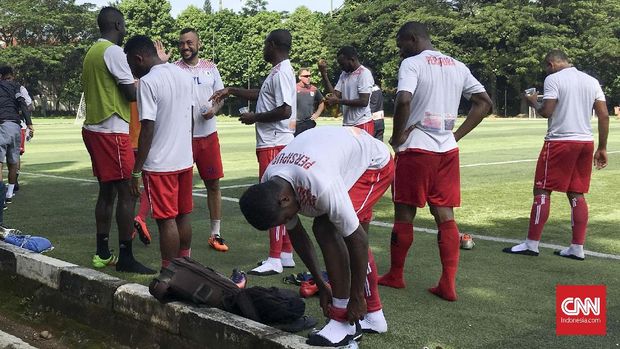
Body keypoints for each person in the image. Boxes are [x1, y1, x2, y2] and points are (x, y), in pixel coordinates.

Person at [239, 126, 393, 346]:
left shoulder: (320, 183)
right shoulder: (273, 182)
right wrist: (321, 283)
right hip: (342, 153)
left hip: (374, 165)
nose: (286, 222)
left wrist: (356, 297)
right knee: (340, 228)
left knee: (327, 228)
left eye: (283, 219)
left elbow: (357, 238)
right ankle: (375, 317)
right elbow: (297, 235)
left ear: (284, 200)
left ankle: (343, 324)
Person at [378, 22, 492, 302]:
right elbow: (484, 102)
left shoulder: (412, 64)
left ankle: (396, 274)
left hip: (417, 149)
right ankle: (447, 284)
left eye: (401, 44)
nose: (399, 50)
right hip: (446, 150)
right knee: (445, 215)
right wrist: (456, 135)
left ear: (413, 39)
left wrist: (395, 138)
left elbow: (404, 100)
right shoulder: (458, 65)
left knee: (404, 213)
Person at [504, 50, 609, 260]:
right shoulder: (591, 81)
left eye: (546, 66)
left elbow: (547, 111)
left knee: (542, 189)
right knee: (576, 193)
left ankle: (531, 244)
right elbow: (604, 115)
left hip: (560, 141)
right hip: (585, 142)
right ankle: (577, 248)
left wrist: (533, 101)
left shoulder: (553, 79)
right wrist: (602, 147)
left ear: (551, 64)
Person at [211, 29, 296, 276]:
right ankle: (286, 253)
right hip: (276, 142)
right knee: (284, 198)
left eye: (264, 44)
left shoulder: (280, 72)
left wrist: (254, 117)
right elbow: (263, 95)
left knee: (273, 200)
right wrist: (231, 90)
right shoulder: (282, 70)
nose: (263, 48)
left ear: (272, 45)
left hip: (273, 143)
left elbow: (285, 110)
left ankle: (274, 258)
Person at [81, 6, 154, 274]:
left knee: (106, 192)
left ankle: (102, 253)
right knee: (128, 192)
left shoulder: (92, 52)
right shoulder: (112, 52)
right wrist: (153, 74)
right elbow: (130, 93)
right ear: (119, 25)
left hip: (94, 128)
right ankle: (126, 257)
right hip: (112, 131)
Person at [124, 35, 195, 270]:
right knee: (184, 214)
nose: (131, 70)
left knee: (167, 221)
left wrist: (136, 171)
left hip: (160, 165)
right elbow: (191, 118)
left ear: (139, 58)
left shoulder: (148, 82)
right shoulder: (183, 75)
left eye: (130, 64)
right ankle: (186, 265)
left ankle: (169, 272)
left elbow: (147, 129)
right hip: (184, 159)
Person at [172, 28, 228, 252]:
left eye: (189, 43)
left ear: (198, 44)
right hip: (182, 137)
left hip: (207, 136)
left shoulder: (211, 68)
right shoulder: (174, 69)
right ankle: (179, 235)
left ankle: (215, 234)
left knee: (213, 185)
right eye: (182, 44)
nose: (185, 47)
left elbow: (221, 97)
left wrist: (214, 109)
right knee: (180, 187)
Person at [317, 46, 375, 134]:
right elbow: (335, 95)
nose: (341, 67)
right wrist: (324, 74)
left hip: (362, 123)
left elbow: (364, 101)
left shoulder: (364, 73)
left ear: (352, 59)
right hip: (347, 124)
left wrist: (338, 101)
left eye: (342, 64)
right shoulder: (344, 74)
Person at [0, 68, 31, 228]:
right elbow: (25, 105)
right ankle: (10, 193)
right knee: (14, 161)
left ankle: (0, 196)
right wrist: (30, 123)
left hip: (2, 124)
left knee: (0, 162)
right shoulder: (18, 87)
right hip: (16, 126)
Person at [294, 67, 324, 136]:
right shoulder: (293, 88)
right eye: (306, 76)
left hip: (309, 122)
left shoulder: (314, 89)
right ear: (299, 77)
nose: (308, 78)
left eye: (309, 76)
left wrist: (317, 114)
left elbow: (322, 102)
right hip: (296, 123)